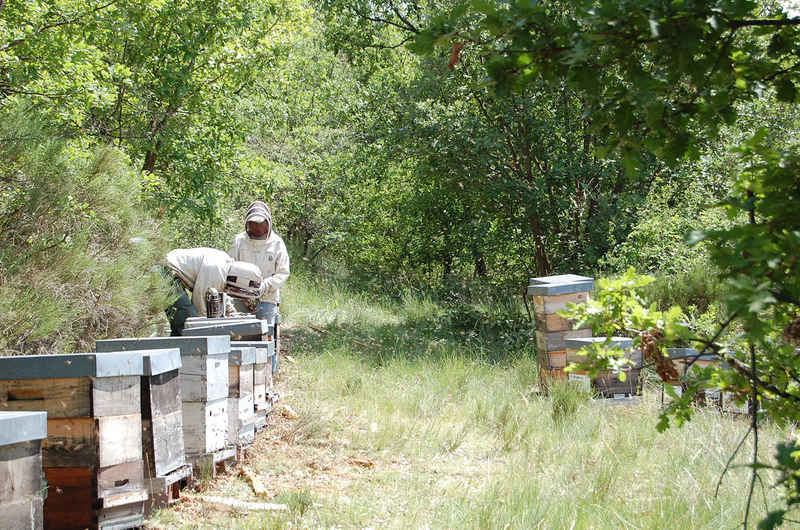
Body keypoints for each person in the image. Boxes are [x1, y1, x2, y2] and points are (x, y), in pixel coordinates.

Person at [162, 247, 265, 336]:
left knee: (183, 323)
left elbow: (223, 297)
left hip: (170, 272)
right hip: (164, 271)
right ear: (241, 280)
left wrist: (232, 313)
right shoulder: (217, 272)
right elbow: (201, 305)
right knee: (189, 321)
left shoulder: (224, 267)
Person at [229, 201, 290, 325]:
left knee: (265, 334)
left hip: (267, 298)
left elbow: (283, 272)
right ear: (247, 223)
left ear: (267, 223)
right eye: (253, 223)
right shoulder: (239, 241)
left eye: (260, 223)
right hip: (240, 297)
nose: (256, 227)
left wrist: (265, 286)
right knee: (239, 336)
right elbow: (229, 266)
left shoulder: (277, 243)